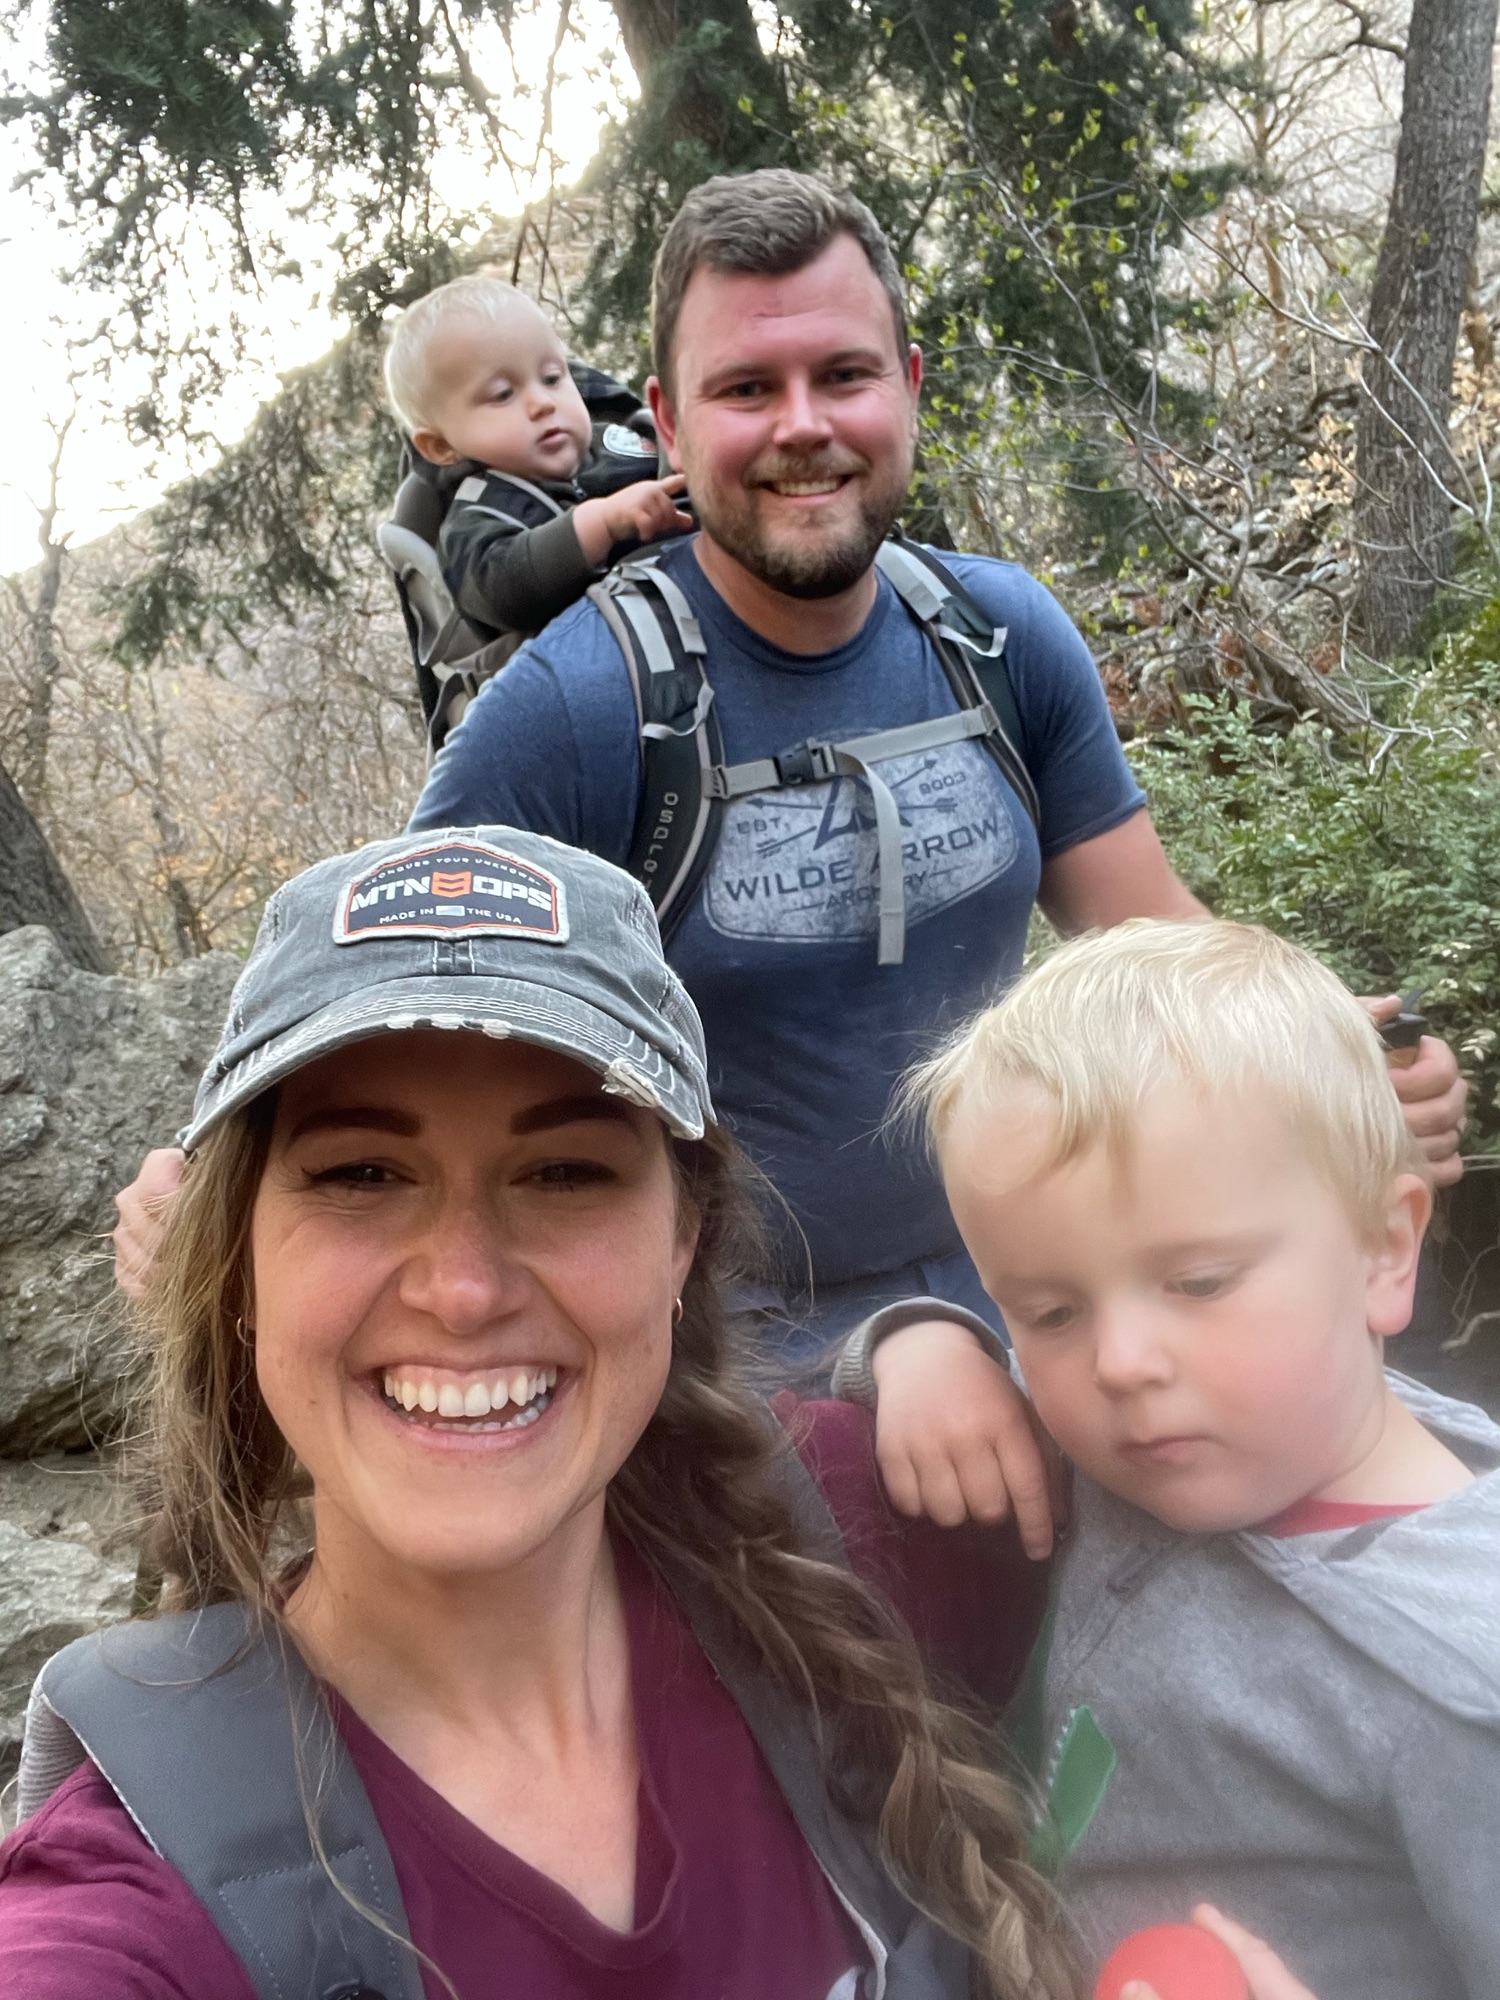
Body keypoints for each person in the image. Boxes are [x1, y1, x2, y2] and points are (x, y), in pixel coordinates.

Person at [400, 167, 1468, 1360]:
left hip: (1036, 1301)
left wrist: (1339, 1052)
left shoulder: (1000, 636)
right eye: (747, 387)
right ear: (670, 424)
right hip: (724, 1370)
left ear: (907, 388)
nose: (802, 424)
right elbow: (389, 1031)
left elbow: (1154, 946)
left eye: (843, 375)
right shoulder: (575, 711)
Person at [0, 825, 1072, 2000]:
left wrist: (934, 1340)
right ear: (239, 1256)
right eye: (362, 1173)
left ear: (683, 1237)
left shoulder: (877, 1518)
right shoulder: (131, 1890)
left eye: (566, 1172)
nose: (463, 1288)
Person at [833, 919, 1500, 1999]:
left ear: (1385, 1250)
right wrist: (923, 1346)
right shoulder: (1158, 1439)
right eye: (1050, 1310)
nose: (1120, 1363)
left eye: (1198, 1284)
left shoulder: (1461, 1682)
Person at [385, 274, 693, 645]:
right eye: (502, 395)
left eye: (552, 378)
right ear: (440, 446)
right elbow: (504, 592)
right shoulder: (478, 516)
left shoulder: (619, 439)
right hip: (631, 650)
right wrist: (600, 524)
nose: (543, 403)